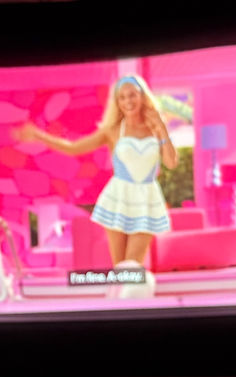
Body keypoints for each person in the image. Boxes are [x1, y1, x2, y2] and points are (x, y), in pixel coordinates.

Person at [13, 74, 178, 268]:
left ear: (142, 96)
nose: (128, 101)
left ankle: (130, 295)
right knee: (120, 267)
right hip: (118, 197)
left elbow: (171, 162)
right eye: (122, 97)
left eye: (132, 95)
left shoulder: (155, 128)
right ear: (117, 102)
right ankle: (122, 298)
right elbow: (74, 148)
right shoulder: (112, 131)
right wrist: (40, 135)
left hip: (146, 197)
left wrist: (162, 130)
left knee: (133, 264)